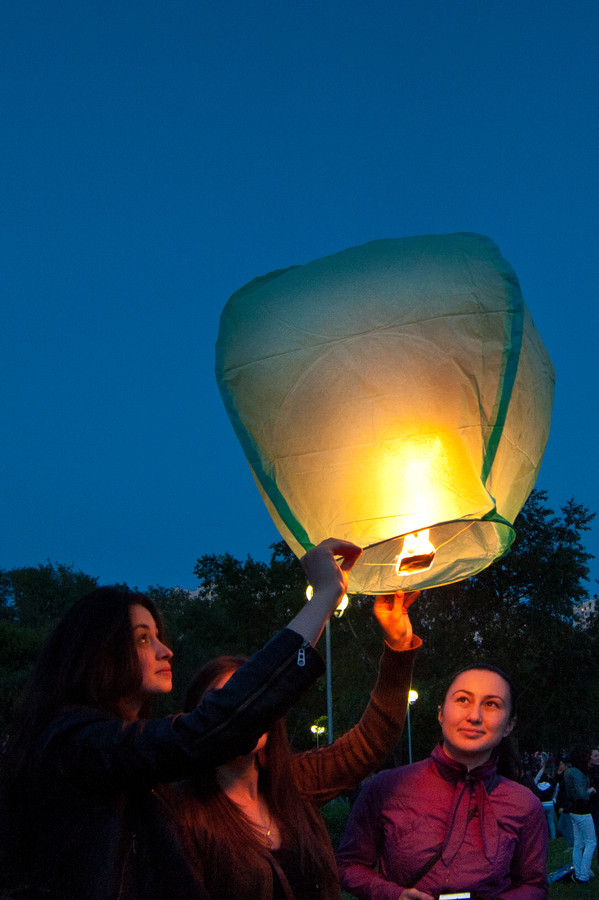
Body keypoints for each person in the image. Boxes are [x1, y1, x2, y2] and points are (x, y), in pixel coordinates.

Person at [0, 537, 361, 900]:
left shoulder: (115, 756)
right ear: (100, 653)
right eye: (143, 640)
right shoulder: (77, 743)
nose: (165, 650)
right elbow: (210, 729)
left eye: (157, 636)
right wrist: (324, 597)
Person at [167, 590, 422, 900]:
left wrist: (398, 647)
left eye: (253, 701)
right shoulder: (184, 814)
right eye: (224, 703)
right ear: (199, 718)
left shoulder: (295, 782)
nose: (242, 714)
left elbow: (373, 738)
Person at [336, 664, 548, 900]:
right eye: (463, 700)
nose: (474, 716)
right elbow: (348, 865)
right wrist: (394, 895)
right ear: (440, 713)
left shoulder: (524, 803)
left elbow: (534, 885)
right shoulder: (387, 787)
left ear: (509, 724)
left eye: (491, 704)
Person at [563, 745, 597, 883]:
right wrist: (590, 790)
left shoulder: (569, 771)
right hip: (582, 810)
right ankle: (584, 874)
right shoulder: (577, 773)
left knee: (578, 843)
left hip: (573, 811)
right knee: (591, 842)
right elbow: (581, 794)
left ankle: (579, 871)